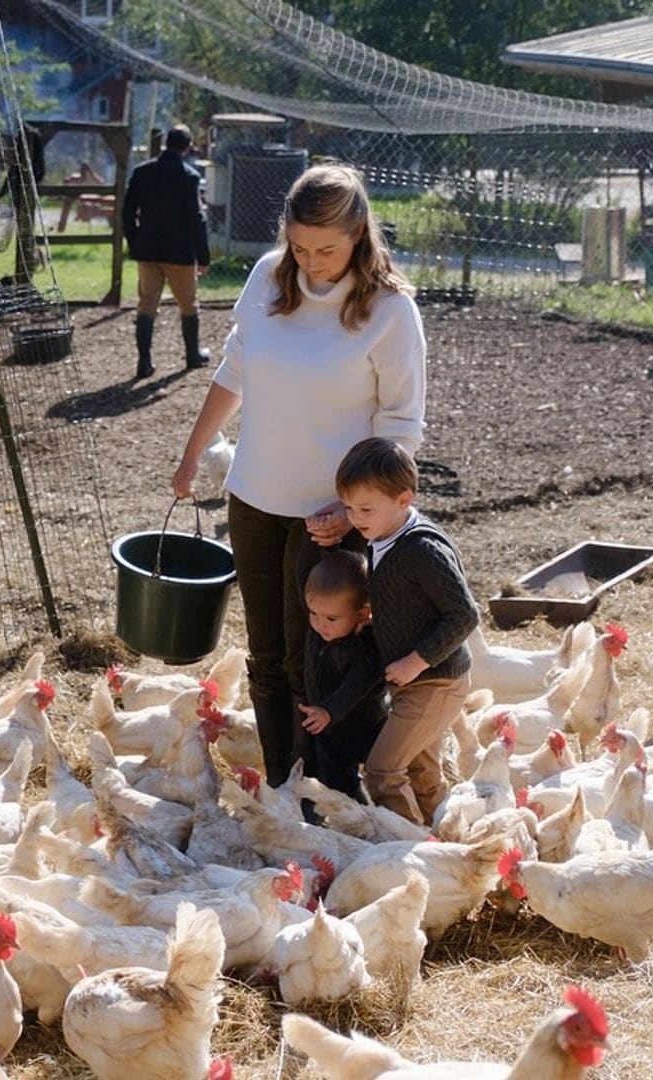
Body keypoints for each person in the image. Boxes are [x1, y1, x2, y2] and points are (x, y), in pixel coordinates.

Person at [172, 163, 426, 787]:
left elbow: (401, 425)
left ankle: (328, 789)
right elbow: (234, 372)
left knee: (317, 659)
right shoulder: (266, 276)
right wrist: (191, 453)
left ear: (360, 232)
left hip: (332, 515)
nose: (313, 262)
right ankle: (283, 790)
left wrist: (356, 510)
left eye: (328, 249)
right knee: (265, 657)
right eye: (301, 246)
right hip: (256, 494)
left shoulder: (391, 311)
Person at [335, 436, 479, 825]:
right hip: (417, 681)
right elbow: (407, 599)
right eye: (348, 507)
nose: (355, 518)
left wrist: (416, 661)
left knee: (382, 770)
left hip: (435, 681)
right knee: (421, 772)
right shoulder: (382, 535)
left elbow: (465, 615)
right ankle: (450, 843)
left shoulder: (422, 550)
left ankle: (408, 847)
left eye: (365, 508)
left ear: (405, 499)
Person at [122, 124, 211, 379]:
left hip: (148, 250)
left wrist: (135, 241)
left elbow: (128, 213)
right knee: (188, 305)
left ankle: (144, 361)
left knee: (147, 304)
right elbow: (197, 218)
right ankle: (192, 355)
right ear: (187, 147)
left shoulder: (142, 172)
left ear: (165, 144)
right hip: (180, 253)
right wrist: (203, 256)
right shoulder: (189, 176)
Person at [299, 550, 387, 803]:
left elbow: (355, 687)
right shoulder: (323, 633)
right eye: (313, 613)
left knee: (377, 773)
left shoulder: (364, 650)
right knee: (336, 780)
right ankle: (348, 813)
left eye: (331, 618)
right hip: (330, 726)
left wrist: (329, 710)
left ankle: (371, 815)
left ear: (363, 614)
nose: (319, 624)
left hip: (362, 725)